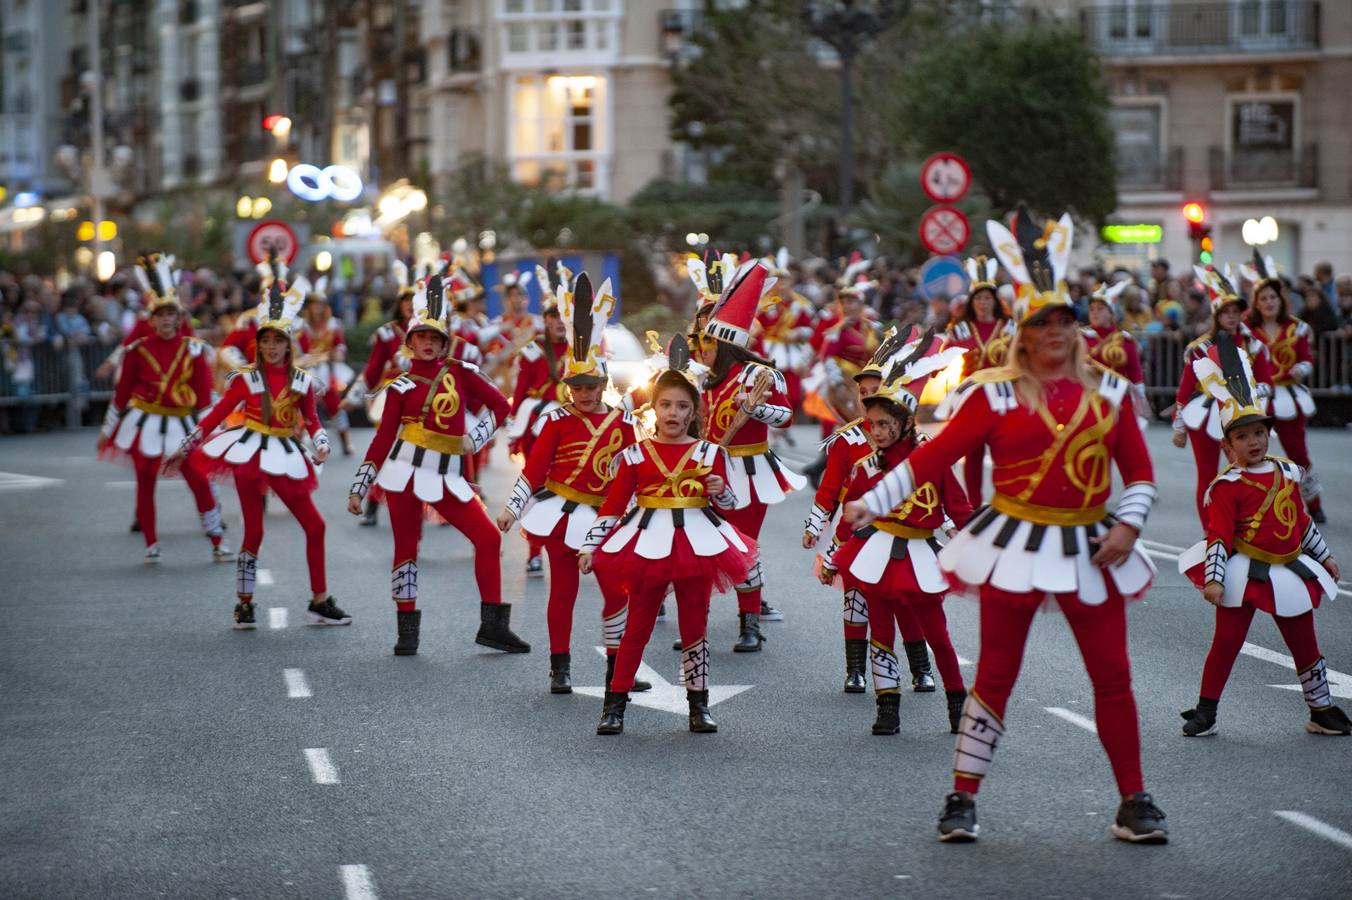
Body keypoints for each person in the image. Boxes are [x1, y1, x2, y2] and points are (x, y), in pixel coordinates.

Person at [846, 209, 1166, 845]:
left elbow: (1142, 474)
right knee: (995, 674)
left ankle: (1133, 800)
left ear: (1078, 330)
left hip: (1089, 546)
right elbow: (931, 457)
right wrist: (871, 503)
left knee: (1113, 677)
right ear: (1022, 333)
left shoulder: (1108, 394)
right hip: (1014, 545)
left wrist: (1127, 529)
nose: (1056, 332)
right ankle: (961, 798)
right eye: (1043, 323)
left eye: (1065, 322)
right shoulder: (992, 395)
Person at [1176, 330, 1347, 738]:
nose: (1252, 441)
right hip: (1243, 572)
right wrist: (1214, 580)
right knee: (1227, 642)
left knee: (1304, 641)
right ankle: (1206, 711)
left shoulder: (1286, 471)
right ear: (1228, 444)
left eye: (1258, 433)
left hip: (1289, 568)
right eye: (1242, 436)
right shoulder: (1226, 486)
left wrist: (1324, 557)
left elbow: (1299, 521)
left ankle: (1320, 709)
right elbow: (1218, 536)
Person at [346, 272, 527, 656]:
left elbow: (499, 406)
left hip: (447, 475)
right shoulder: (399, 387)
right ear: (409, 342)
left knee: (488, 538)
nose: (428, 344)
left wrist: (473, 440)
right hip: (402, 474)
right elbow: (383, 439)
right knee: (406, 549)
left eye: (434, 338)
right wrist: (360, 486)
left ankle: (493, 626)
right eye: (421, 337)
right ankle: (407, 632)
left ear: (445, 343)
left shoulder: (461, 373)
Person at [580, 347, 756, 735]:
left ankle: (698, 704)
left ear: (693, 412)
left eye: (681, 406)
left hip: (698, 545)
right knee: (638, 625)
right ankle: (615, 705)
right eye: (665, 405)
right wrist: (590, 546)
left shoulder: (711, 453)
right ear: (653, 410)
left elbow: (732, 504)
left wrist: (719, 488)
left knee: (695, 626)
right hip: (647, 546)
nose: (673, 413)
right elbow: (612, 505)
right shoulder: (633, 455)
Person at [167, 275, 348, 630]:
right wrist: (187, 445)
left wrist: (322, 443)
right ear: (258, 344)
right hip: (250, 455)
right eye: (265, 341)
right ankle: (245, 603)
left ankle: (319, 600)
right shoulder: (245, 380)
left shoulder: (301, 381)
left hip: (285, 453)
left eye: (277, 341)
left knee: (315, 525)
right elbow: (216, 416)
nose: (270, 347)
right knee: (254, 531)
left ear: (288, 344)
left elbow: (311, 419)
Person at [496, 272, 644, 693]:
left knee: (617, 594)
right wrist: (511, 509)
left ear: (603, 384)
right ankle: (559, 667)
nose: (584, 393)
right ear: (568, 387)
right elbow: (535, 469)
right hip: (560, 516)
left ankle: (618, 669)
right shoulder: (556, 420)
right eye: (577, 386)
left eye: (591, 385)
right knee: (562, 593)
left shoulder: (625, 422)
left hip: (605, 519)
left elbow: (636, 475)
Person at [821, 332, 971, 735]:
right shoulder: (867, 467)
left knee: (936, 633)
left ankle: (957, 701)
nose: (876, 431)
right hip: (876, 554)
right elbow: (850, 516)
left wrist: (978, 544)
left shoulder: (931, 460)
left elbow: (958, 508)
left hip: (920, 553)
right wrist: (834, 556)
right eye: (872, 424)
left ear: (906, 424)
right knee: (881, 631)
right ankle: (888, 707)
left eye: (885, 424)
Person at [803, 326, 938, 693]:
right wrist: (816, 527)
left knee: (906, 600)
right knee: (855, 600)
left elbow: (935, 491)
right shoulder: (846, 440)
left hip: (902, 532)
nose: (867, 399)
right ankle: (855, 670)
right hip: (858, 532)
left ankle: (921, 669)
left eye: (874, 391)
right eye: (863, 393)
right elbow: (830, 490)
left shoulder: (917, 442)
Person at [694, 260, 806, 650]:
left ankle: (750, 624)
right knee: (701, 544)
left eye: (707, 343)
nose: (700, 349)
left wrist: (755, 408)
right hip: (707, 467)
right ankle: (697, 626)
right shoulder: (698, 382)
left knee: (743, 543)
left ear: (723, 345)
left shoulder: (761, 376)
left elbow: (787, 417)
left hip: (751, 469)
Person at [97, 253, 229, 563]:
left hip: (181, 424)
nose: (168, 321)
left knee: (198, 479)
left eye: (172, 315)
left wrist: (212, 430)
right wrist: (107, 430)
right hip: (147, 423)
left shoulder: (194, 350)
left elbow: (203, 398)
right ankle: (151, 543)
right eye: (162, 315)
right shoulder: (136, 350)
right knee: (145, 480)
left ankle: (217, 541)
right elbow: (122, 394)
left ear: (180, 317)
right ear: (151, 319)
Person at [1173, 266, 1274, 522]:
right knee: (1207, 475)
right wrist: (1180, 425)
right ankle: (1210, 532)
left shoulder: (1254, 345)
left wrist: (1252, 390)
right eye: (1225, 312)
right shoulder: (1199, 347)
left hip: (1241, 417)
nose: (1231, 316)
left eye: (1236, 311)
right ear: (1216, 314)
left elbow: (1267, 383)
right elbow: (1185, 389)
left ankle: (1242, 527)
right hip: (1205, 415)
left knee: (1244, 473)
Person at [1243, 253, 1324, 523]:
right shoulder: (1247, 331)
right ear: (1256, 302)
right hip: (1258, 397)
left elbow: (1307, 359)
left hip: (1289, 395)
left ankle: (1313, 502)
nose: (1268, 302)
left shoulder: (1297, 328)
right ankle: (1259, 507)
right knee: (1254, 453)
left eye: (1272, 297)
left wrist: (1302, 369)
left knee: (1297, 452)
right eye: (1263, 298)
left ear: (1281, 300)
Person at [504, 274, 572, 575]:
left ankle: (574, 545)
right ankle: (533, 551)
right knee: (537, 487)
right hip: (537, 427)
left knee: (572, 488)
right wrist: (512, 432)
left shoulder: (583, 349)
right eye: (554, 315)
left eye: (564, 315)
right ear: (545, 319)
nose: (559, 321)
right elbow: (519, 394)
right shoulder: (533, 350)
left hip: (572, 426)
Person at [343, 263, 416, 526]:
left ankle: (442, 506)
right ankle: (374, 503)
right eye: (406, 300)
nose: (410, 305)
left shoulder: (434, 334)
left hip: (424, 402)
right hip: (392, 399)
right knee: (387, 451)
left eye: (415, 300)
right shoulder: (387, 333)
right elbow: (372, 372)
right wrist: (352, 398)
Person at [941, 257, 1016, 506]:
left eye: (987, 298)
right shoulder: (961, 329)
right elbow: (944, 357)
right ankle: (973, 505)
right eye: (978, 298)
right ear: (971, 302)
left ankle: (1005, 503)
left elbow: (1022, 358)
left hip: (1003, 396)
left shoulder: (1009, 328)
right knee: (973, 454)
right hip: (970, 397)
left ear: (995, 301)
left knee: (1004, 451)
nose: (983, 303)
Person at [1082, 280, 1151, 424]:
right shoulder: (1079, 337)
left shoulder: (1125, 340)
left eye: (1100, 309)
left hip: (1117, 400)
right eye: (1092, 309)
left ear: (1111, 312)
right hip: (1086, 400)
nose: (1095, 313)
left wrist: (1140, 400)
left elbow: (1135, 373)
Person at [297, 286, 355, 456]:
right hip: (306, 370)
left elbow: (340, 344)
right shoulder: (300, 326)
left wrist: (339, 352)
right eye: (314, 305)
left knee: (335, 405)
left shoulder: (333, 324)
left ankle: (346, 440)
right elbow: (297, 348)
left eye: (320, 305)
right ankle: (298, 442)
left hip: (326, 370)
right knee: (303, 406)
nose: (318, 308)